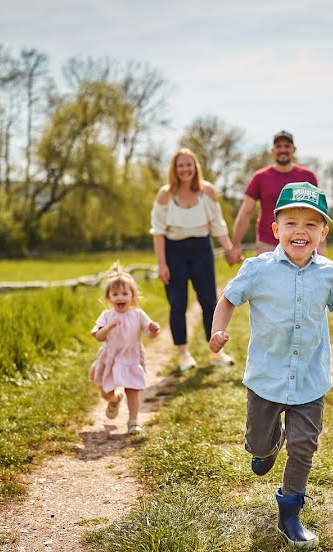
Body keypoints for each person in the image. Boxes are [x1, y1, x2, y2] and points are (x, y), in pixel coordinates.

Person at [209, 182, 333, 548]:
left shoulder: (332, 274)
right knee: (259, 445)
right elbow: (228, 299)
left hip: (310, 379)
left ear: (323, 233)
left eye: (311, 225)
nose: (301, 231)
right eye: (292, 222)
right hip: (266, 378)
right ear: (275, 229)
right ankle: (268, 446)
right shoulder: (258, 269)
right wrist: (218, 330)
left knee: (305, 445)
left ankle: (290, 514)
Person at [151, 148, 239, 372]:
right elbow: (158, 231)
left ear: (195, 167)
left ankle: (216, 353)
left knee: (209, 301)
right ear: (174, 169)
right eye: (180, 165)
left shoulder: (206, 191)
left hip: (201, 248)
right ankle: (183, 354)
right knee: (177, 303)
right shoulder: (165, 194)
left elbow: (217, 225)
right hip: (174, 251)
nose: (185, 169)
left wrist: (229, 249)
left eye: (188, 164)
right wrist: (162, 264)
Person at [89, 262, 161, 435]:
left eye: (124, 293)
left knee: (133, 391)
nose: (120, 297)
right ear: (109, 298)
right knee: (106, 392)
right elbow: (98, 336)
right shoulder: (107, 316)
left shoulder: (138, 314)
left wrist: (153, 330)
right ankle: (114, 400)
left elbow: (149, 333)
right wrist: (108, 327)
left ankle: (133, 421)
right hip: (110, 358)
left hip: (131, 357)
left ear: (132, 296)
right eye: (115, 294)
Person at [227, 130, 318, 263]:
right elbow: (245, 212)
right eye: (278, 146)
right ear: (272, 150)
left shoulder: (307, 177)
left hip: (300, 242)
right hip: (267, 243)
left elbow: (317, 214)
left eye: (287, 146)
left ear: (294, 149)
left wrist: (320, 246)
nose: (283, 150)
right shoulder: (260, 177)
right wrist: (235, 246)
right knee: (268, 283)